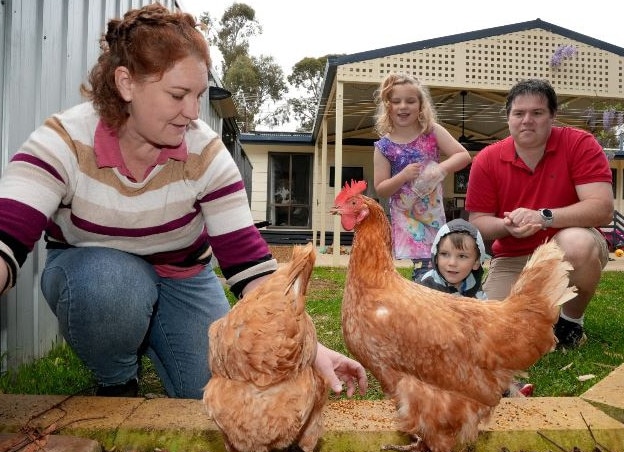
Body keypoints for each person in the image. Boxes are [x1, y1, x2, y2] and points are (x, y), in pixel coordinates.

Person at [0, 4, 367, 400]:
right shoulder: (66, 140)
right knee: (111, 287)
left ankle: (159, 332)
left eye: (198, 95)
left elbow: (251, 269)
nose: (193, 113)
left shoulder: (204, 152)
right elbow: (6, 236)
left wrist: (311, 348)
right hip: (97, 274)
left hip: (183, 278)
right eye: (178, 95)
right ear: (126, 83)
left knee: (221, 393)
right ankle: (117, 380)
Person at [466, 78, 613, 349]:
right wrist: (506, 226)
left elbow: (602, 209)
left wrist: (543, 217)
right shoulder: (487, 159)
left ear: (552, 116)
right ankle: (543, 313)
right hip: (513, 254)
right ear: (508, 117)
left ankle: (570, 324)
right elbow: (478, 223)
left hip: (567, 247)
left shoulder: (579, 144)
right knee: (492, 335)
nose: (527, 121)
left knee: (576, 242)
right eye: (519, 113)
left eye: (537, 113)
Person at [417, 218, 534, 397]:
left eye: (462, 256)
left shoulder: (474, 287)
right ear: (435, 255)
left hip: (465, 350)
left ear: (476, 262)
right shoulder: (427, 287)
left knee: (490, 354)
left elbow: (485, 318)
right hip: (432, 353)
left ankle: (504, 386)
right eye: (445, 254)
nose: (452, 263)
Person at [372, 73, 472, 281]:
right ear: (388, 106)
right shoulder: (384, 146)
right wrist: (403, 176)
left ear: (420, 105)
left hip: (431, 215)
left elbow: (463, 156)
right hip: (406, 217)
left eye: (410, 101)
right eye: (396, 101)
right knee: (422, 267)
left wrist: (440, 169)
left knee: (435, 263)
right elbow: (380, 188)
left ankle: (430, 296)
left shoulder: (431, 132)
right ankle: (420, 295)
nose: (403, 106)